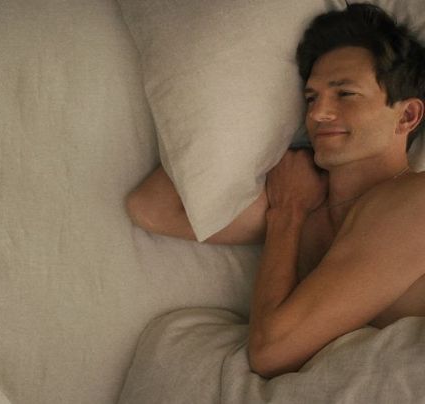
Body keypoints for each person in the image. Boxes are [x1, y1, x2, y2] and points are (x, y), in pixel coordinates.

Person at [126, 3, 425, 378]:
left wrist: (287, 215)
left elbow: (272, 352)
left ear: (408, 116)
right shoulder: (303, 201)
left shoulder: (415, 201)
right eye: (311, 98)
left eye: (345, 94)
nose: (317, 114)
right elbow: (152, 208)